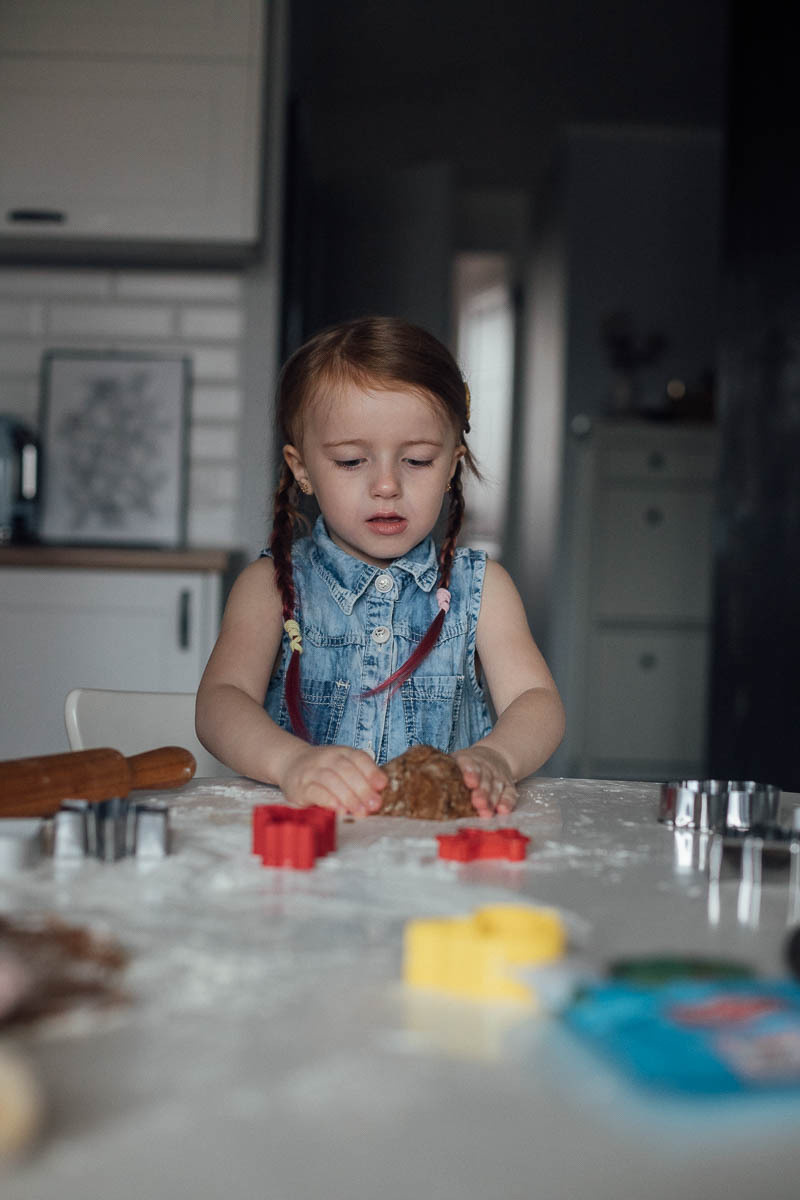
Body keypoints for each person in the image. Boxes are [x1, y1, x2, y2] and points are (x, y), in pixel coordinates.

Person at [195, 316, 564, 817]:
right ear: (302, 468)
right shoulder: (270, 589)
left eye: (417, 461)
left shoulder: (483, 589)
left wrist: (496, 756)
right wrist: (290, 764)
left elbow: (536, 700)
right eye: (351, 461)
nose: (386, 485)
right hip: (308, 854)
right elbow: (220, 702)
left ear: (452, 465)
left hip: (438, 855)